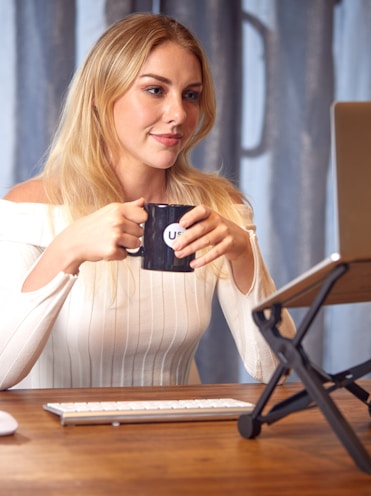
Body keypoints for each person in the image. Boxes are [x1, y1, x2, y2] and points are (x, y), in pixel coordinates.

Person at [0, 13, 295, 390]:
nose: (179, 114)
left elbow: (277, 370)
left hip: (176, 442)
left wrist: (244, 254)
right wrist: (67, 248)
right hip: (57, 445)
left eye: (191, 95)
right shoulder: (28, 209)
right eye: (155, 90)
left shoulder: (218, 207)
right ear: (99, 95)